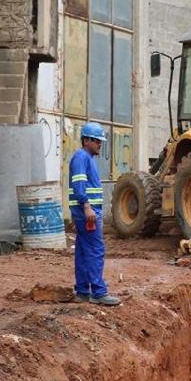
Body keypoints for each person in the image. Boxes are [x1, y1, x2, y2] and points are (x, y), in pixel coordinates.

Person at [68, 122, 121, 306]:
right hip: (88, 213)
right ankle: (98, 292)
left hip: (84, 213)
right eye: (97, 140)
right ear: (87, 140)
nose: (100, 144)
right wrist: (86, 206)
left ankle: (83, 291)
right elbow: (79, 184)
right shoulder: (81, 158)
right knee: (95, 251)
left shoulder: (85, 158)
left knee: (83, 251)